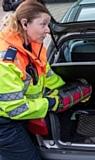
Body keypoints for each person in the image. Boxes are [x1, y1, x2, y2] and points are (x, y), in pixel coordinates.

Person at [0, 0, 66, 159]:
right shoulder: (6, 61)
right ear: (25, 24)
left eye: (48, 24)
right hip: (5, 124)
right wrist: (51, 103)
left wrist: (72, 87)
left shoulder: (35, 49)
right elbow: (15, 108)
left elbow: (50, 79)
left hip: (22, 118)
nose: (48, 30)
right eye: (43, 24)